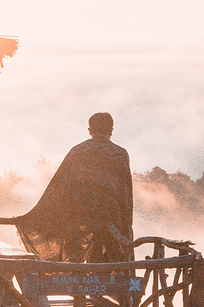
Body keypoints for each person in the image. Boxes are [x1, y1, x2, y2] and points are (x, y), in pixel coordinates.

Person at [9, 112, 133, 262]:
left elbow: (59, 185)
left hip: (80, 218)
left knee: (75, 257)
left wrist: (35, 215)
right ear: (111, 131)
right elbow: (125, 193)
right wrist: (126, 226)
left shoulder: (78, 151)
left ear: (90, 130)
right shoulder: (120, 154)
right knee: (107, 261)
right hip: (111, 220)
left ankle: (76, 278)